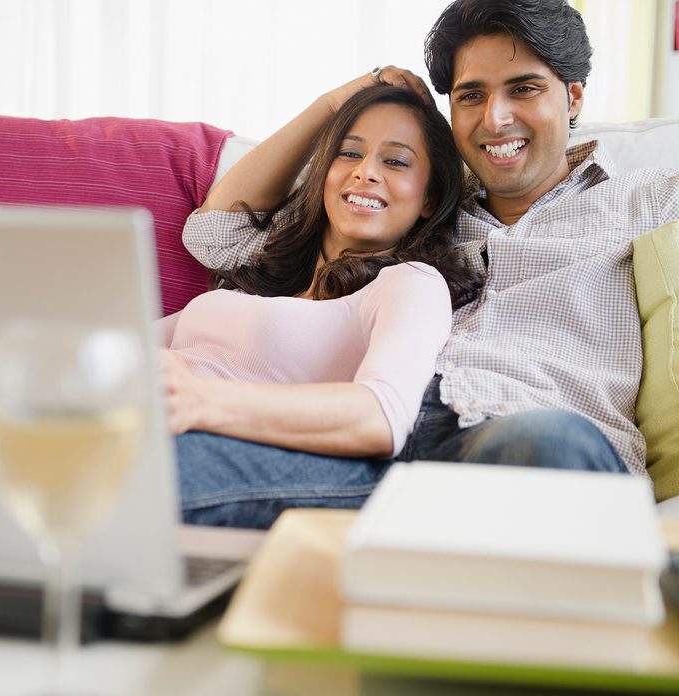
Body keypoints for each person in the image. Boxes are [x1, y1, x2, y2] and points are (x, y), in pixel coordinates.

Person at [176, 0, 679, 529]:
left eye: (523, 89)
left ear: (573, 96)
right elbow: (217, 236)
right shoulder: (419, 200)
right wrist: (339, 102)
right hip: (379, 444)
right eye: (471, 95)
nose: (495, 118)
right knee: (166, 471)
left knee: (553, 445)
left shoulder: (644, 199)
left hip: (528, 444)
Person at [160, 85, 481, 481]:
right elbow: (211, 230)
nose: (366, 171)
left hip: (205, 450)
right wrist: (330, 104)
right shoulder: (254, 282)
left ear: (429, 198)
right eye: (349, 153)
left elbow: (382, 416)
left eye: (396, 161)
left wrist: (201, 399)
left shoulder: (411, 283)